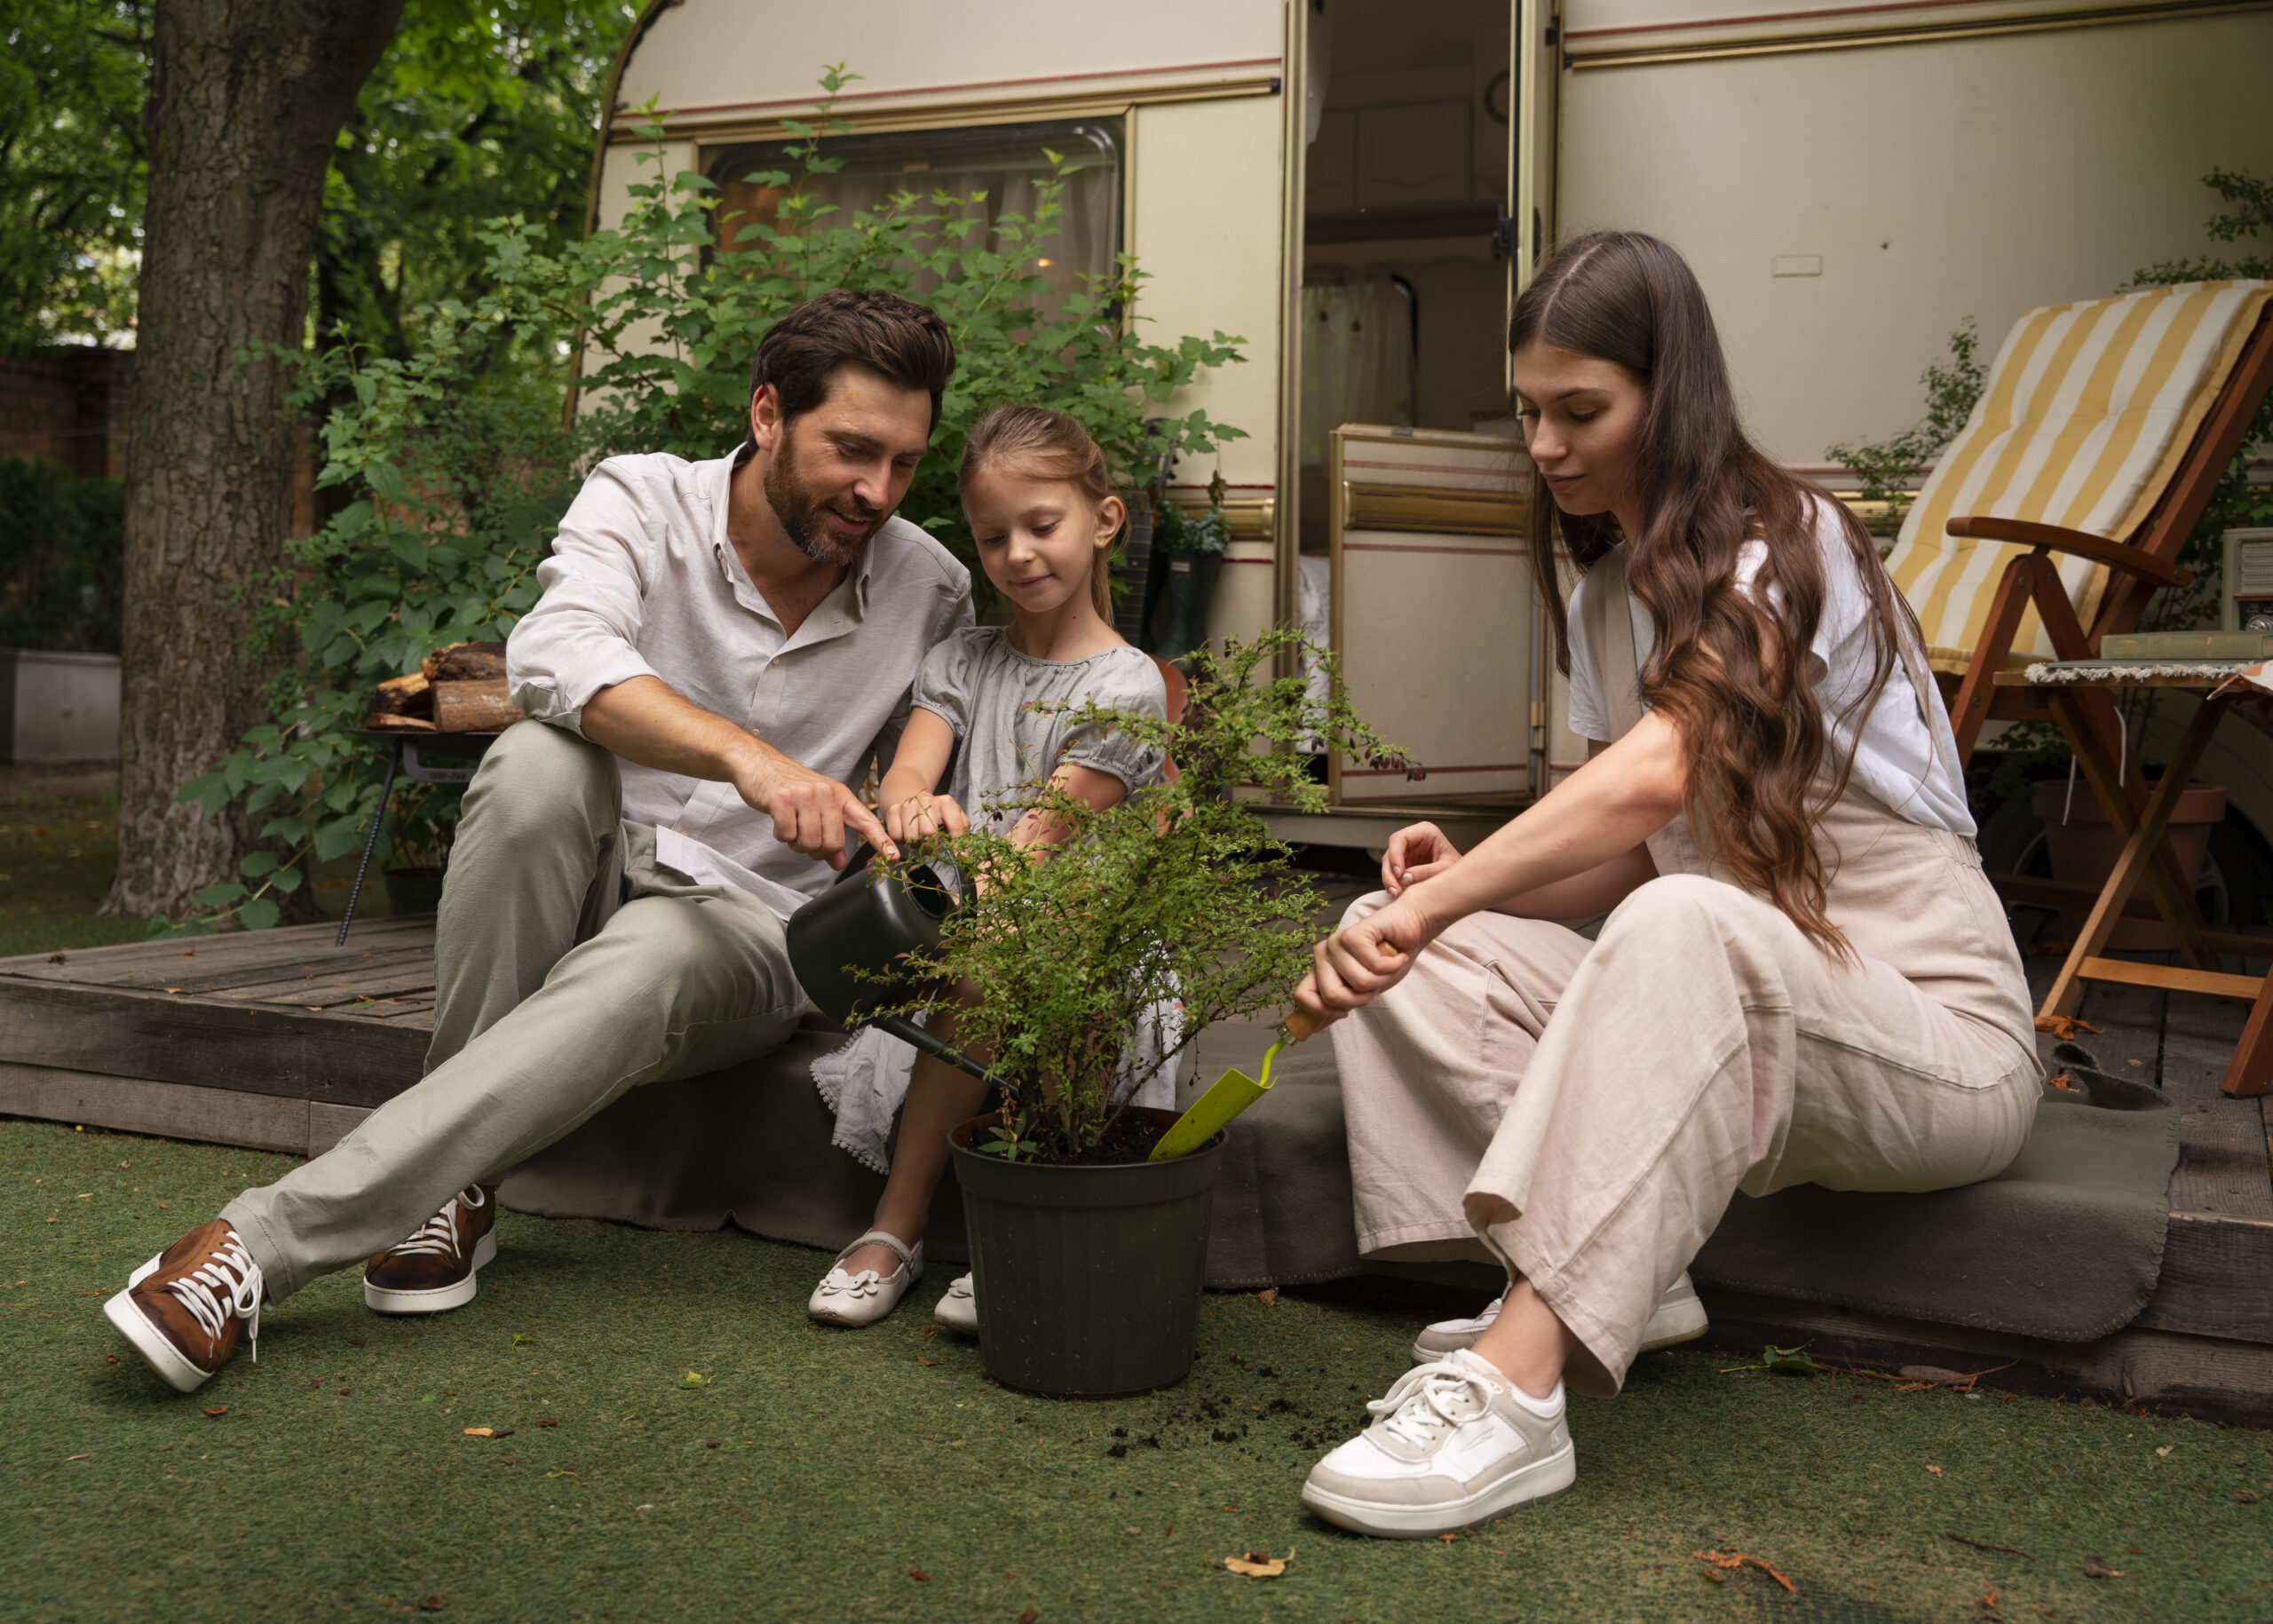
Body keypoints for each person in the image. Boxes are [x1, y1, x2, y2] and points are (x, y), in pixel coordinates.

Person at [1290, 232, 2036, 1538]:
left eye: (1582, 412)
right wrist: (1460, 893)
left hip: (1932, 1029)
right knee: (1401, 937)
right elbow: (1635, 849)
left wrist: (1445, 897)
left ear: (1670, 394)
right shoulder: (1602, 596)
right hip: (1747, 974)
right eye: (1530, 411)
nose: (1544, 447)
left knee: (1677, 920)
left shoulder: (1787, 544)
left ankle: (1519, 1397)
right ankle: (1622, 1270)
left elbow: (1652, 780)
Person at [106, 290, 975, 1392]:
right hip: (592, 858)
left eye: (903, 463)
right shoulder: (643, 496)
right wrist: (750, 758)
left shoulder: (931, 587)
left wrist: (924, 811)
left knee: (654, 951)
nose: (877, 493)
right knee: (534, 759)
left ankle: (258, 1244)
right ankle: (456, 1189)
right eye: (853, 451)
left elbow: (933, 777)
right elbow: (552, 657)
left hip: (748, 930)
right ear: (766, 414)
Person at [804, 404, 1169, 1331]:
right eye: (991, 535)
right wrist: (914, 808)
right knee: (986, 951)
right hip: (978, 923)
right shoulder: (962, 659)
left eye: (1040, 525)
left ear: (1104, 519)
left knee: (1005, 951)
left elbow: (1042, 841)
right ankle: (899, 1229)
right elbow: (909, 776)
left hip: (1078, 933)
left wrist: (976, 880)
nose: (1016, 553)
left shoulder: (1125, 685)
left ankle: (994, 1218)